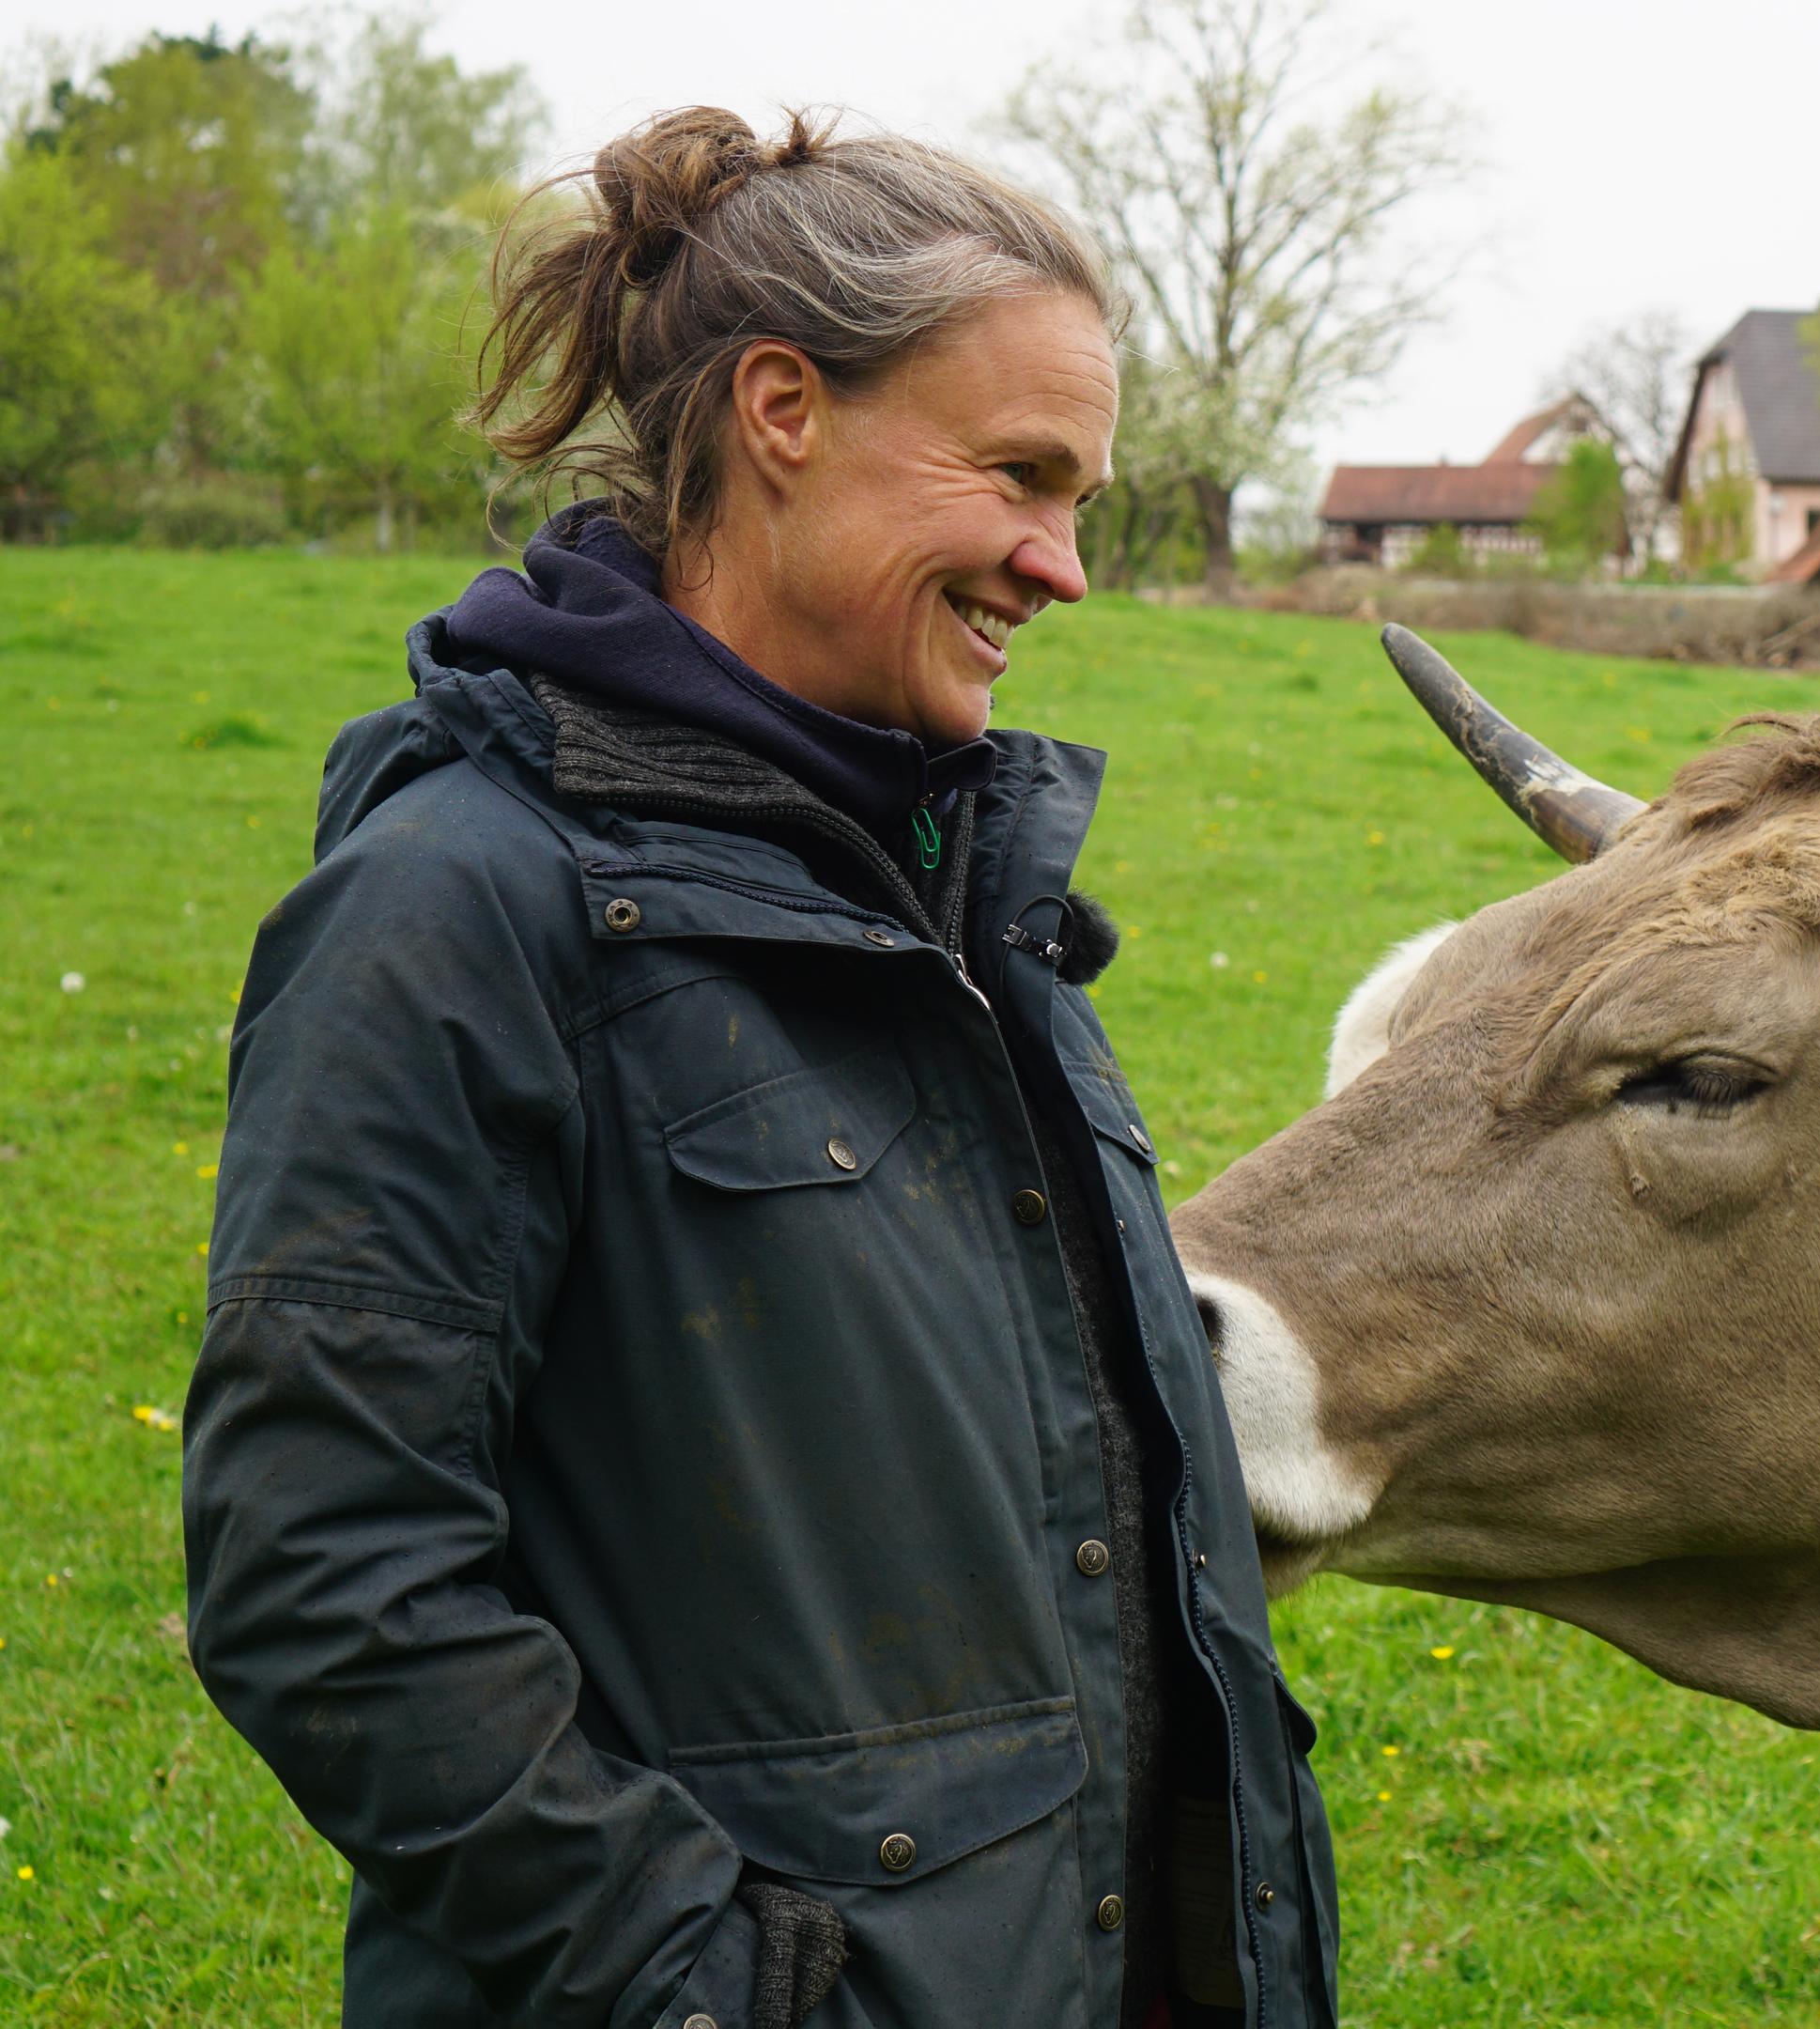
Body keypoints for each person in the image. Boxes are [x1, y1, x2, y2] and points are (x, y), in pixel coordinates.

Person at [181, 106, 1334, 2029]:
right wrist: (714, 1987)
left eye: (1085, 501)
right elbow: (323, 1579)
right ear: (784, 410)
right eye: (1019, 478)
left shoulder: (957, 887)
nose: (1063, 567)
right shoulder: (460, 912)